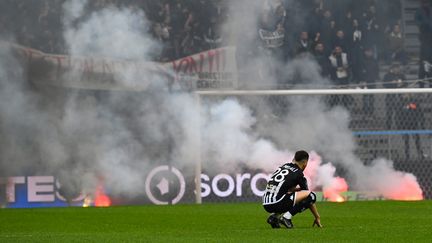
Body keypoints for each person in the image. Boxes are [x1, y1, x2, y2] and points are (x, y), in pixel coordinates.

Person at [263, 150, 322, 229]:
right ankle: (286, 217)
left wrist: (297, 190)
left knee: (288, 196)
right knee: (312, 196)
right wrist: (317, 216)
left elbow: (288, 189)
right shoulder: (299, 174)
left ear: (294, 159)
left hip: (266, 204)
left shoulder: (285, 166)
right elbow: (308, 196)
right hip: (277, 203)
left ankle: (274, 217)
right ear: (305, 163)